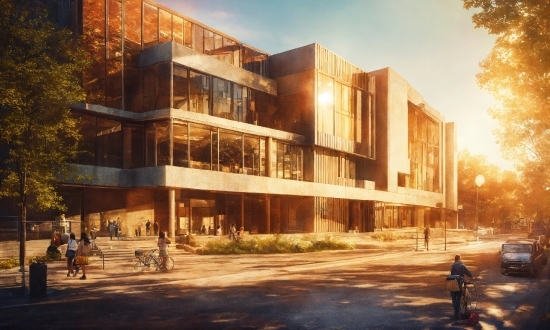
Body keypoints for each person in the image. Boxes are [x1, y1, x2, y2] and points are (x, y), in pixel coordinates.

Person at [450, 254, 473, 319]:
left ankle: (456, 313)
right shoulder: (462, 265)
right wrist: (471, 276)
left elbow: (450, 274)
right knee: (459, 298)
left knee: (454, 299)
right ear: (459, 259)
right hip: (459, 283)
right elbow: (467, 272)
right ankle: (461, 311)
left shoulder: (452, 266)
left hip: (452, 284)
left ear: (455, 259)